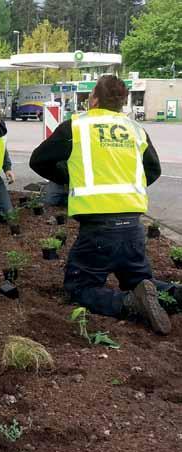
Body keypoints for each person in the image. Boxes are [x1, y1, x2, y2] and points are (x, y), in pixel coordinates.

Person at [29, 75, 180, 335]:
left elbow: (38, 160)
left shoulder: (76, 127)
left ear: (94, 99)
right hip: (132, 224)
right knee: (139, 280)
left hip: (98, 228)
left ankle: (129, 304)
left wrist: (67, 179)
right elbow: (153, 170)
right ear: (122, 103)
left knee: (79, 287)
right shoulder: (135, 130)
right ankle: (173, 295)